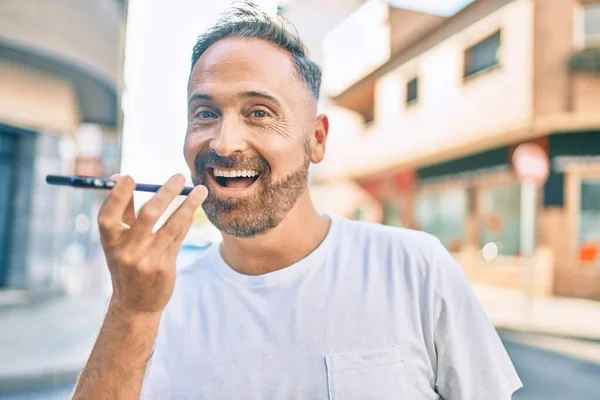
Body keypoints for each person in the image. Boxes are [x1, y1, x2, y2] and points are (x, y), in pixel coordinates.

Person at [72, 4, 522, 400]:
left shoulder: (415, 267)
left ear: (316, 139)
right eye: (205, 113)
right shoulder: (151, 303)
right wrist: (131, 312)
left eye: (259, 113)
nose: (225, 143)